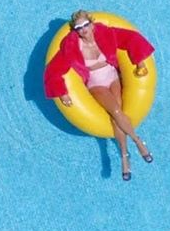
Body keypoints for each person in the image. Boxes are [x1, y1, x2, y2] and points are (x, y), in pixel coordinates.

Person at [44, 10, 154, 181]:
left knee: (116, 115)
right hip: (96, 85)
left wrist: (139, 61)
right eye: (79, 27)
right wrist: (61, 92)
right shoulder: (72, 47)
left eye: (85, 25)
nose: (83, 29)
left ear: (92, 24)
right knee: (116, 111)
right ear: (75, 30)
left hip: (113, 78)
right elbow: (53, 70)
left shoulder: (106, 35)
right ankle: (138, 143)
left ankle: (125, 156)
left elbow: (131, 38)